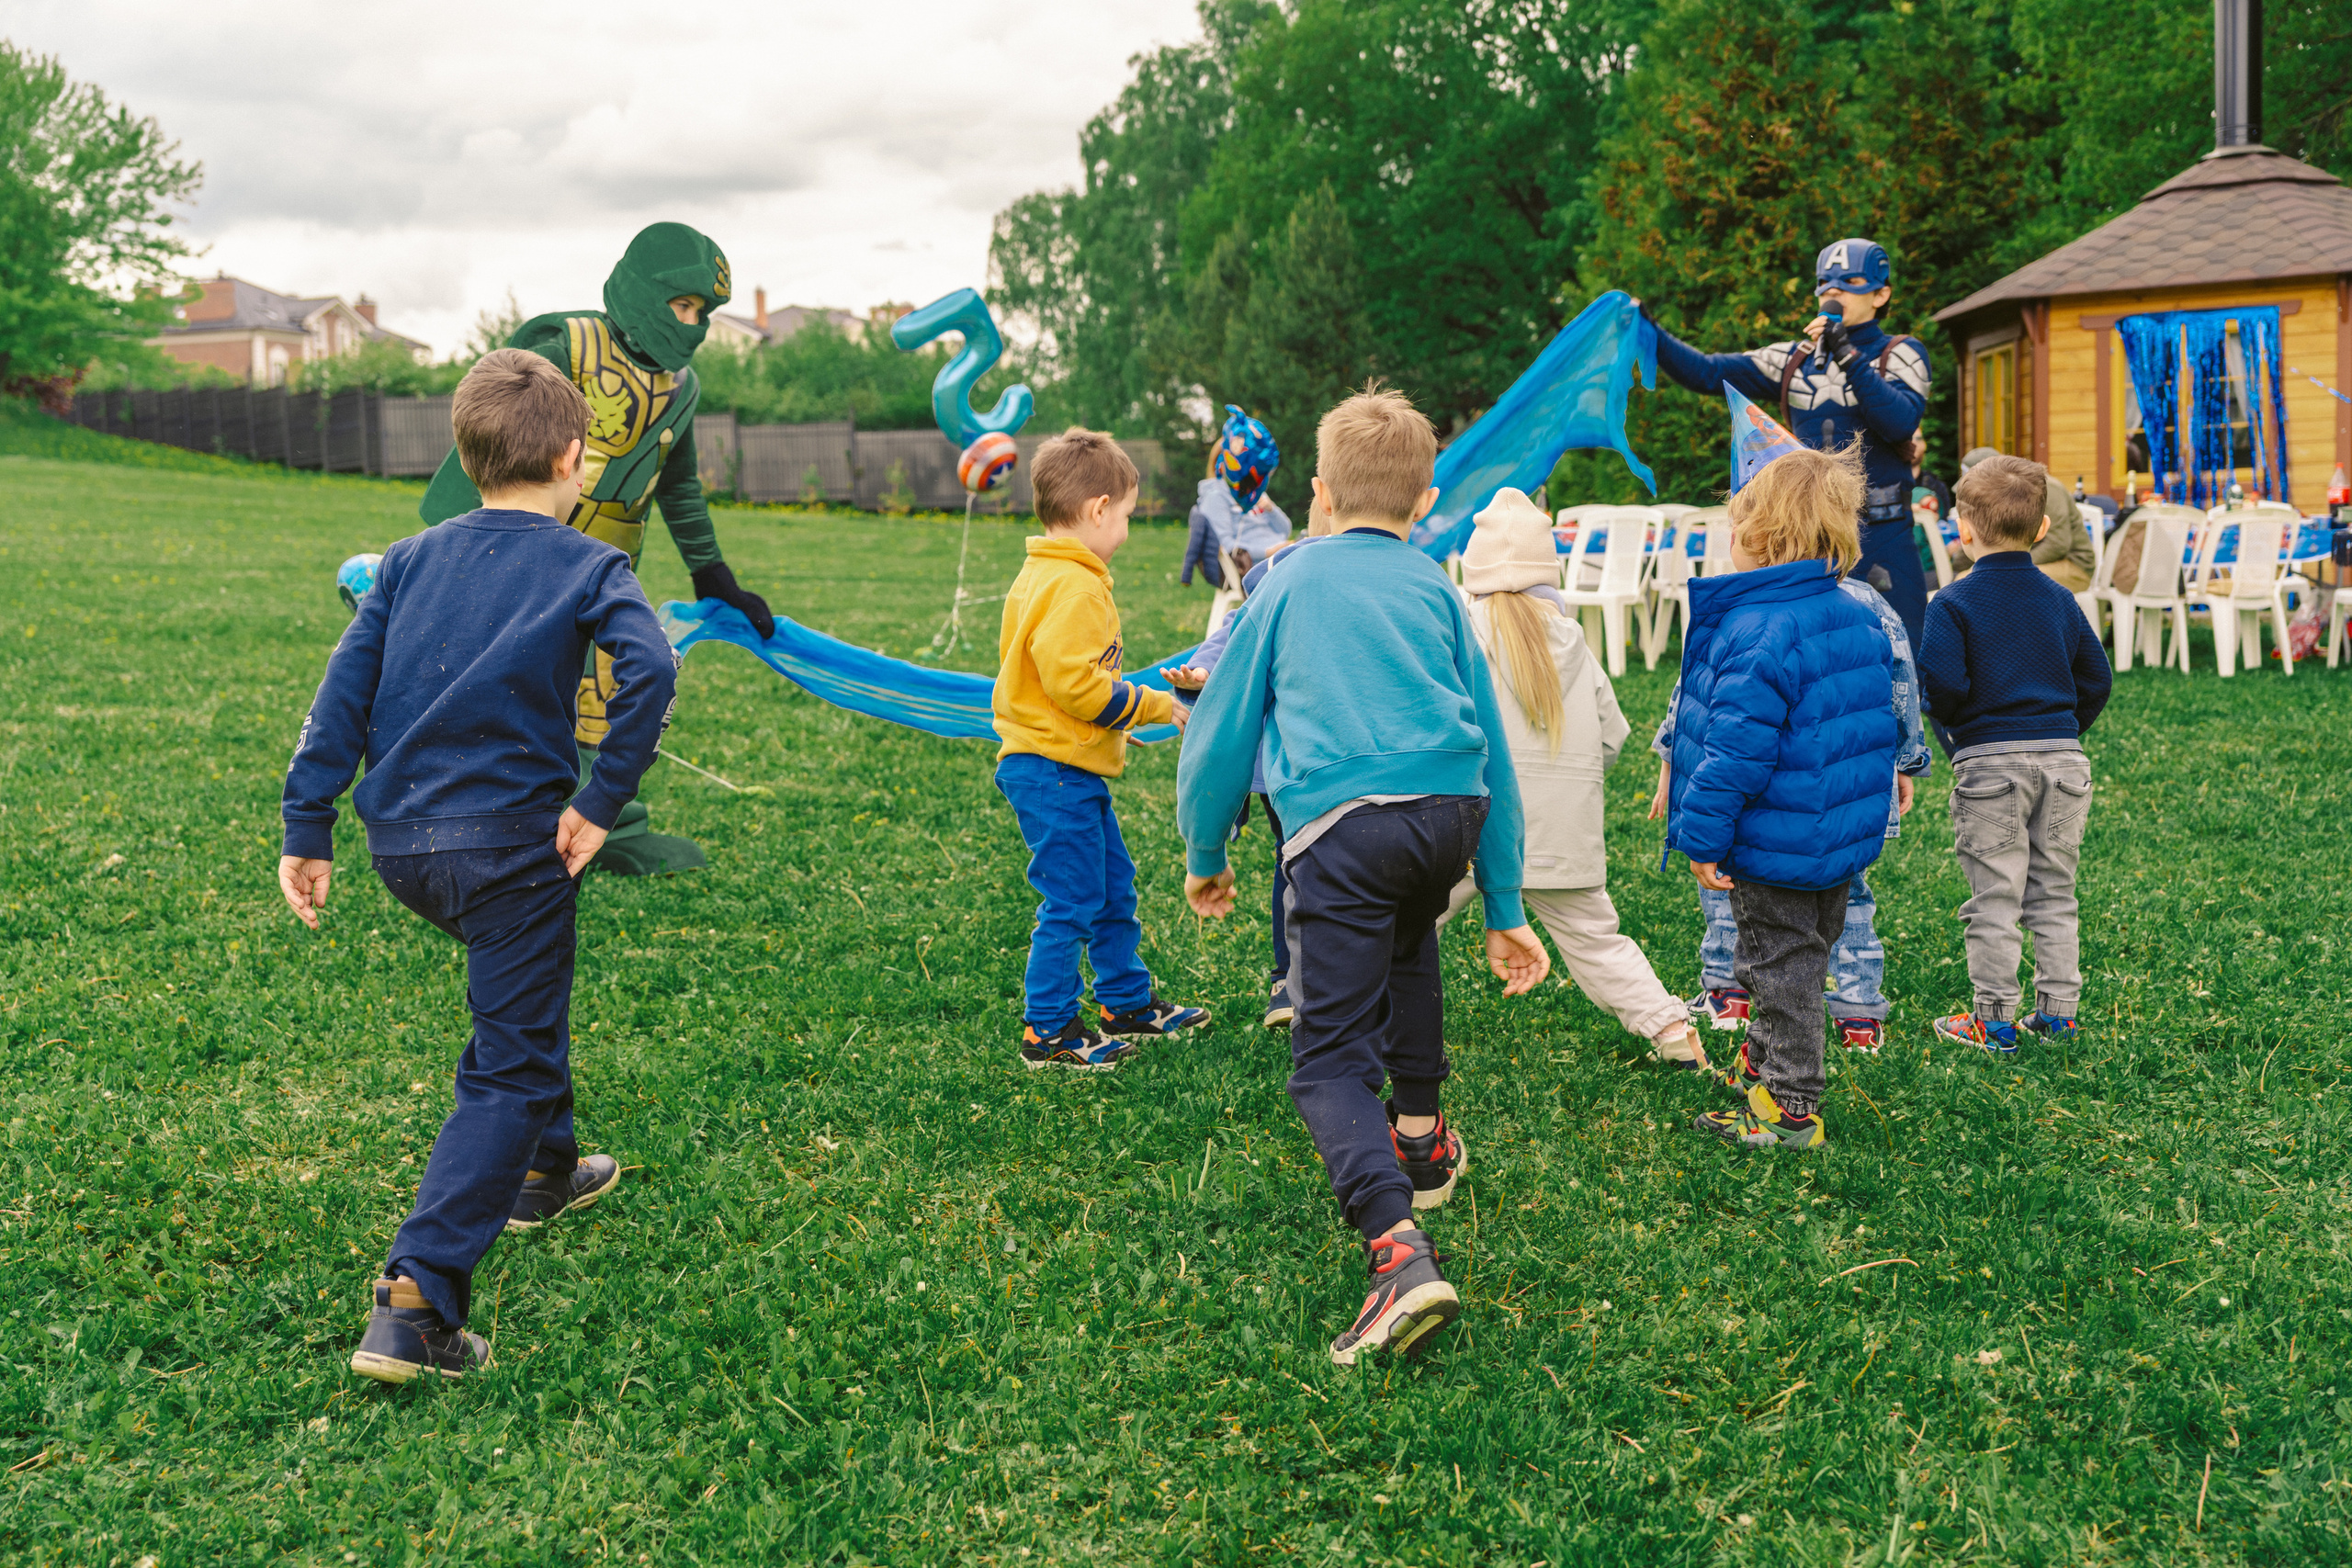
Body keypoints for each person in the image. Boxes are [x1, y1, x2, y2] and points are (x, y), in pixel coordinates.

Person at [278, 350, 678, 1382]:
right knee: (505, 1058)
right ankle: (415, 1301)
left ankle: (547, 1170)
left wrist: (306, 823)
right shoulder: (592, 564)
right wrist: (600, 800)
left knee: (522, 1005)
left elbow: (343, 692)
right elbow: (652, 668)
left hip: (406, 848)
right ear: (573, 457)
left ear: (467, 455)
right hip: (514, 850)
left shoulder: (406, 561)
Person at [1176, 386, 1550, 1367]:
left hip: (1344, 827)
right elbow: (1494, 755)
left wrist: (1206, 852)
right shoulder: (1436, 587)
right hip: (1447, 818)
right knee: (1410, 947)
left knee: (1329, 1057)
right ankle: (1421, 1137)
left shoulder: (1287, 581)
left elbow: (1221, 727)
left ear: (1319, 494)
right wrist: (1504, 903)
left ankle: (1396, 1255)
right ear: (1426, 501)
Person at [419, 222, 772, 876]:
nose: (693, 325)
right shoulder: (567, 345)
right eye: (683, 305)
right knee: (506, 684)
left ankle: (611, 823)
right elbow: (485, 445)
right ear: (645, 288)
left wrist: (712, 572)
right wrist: (448, 558)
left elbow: (680, 484)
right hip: (521, 553)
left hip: (608, 563)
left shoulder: (681, 387)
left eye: (704, 313)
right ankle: (482, 822)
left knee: (610, 686)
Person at [1660, 445, 1897, 1151]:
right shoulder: (1854, 617)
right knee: (1802, 950)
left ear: (1764, 538)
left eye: (1737, 524)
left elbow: (1737, 751)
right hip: (1831, 838)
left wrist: (1701, 837)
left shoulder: (1760, 630)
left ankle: (1792, 1103)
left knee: (1780, 965)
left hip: (1776, 839)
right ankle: (1764, 1067)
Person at [1434, 488, 1709, 1069]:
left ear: (1473, 571)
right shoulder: (1573, 639)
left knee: (1410, 921)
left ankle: (1356, 1019)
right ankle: (1672, 1032)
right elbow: (1612, 733)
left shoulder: (1459, 633)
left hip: (1469, 827)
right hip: (1562, 832)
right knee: (1596, 941)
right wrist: (1575, 787)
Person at [993, 428, 1211, 1071]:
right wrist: (1146, 704)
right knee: (1072, 900)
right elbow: (1076, 685)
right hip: (1052, 770)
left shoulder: (1047, 571)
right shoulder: (1076, 586)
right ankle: (1050, 1029)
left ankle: (1124, 1000)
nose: (1126, 531)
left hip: (1064, 766)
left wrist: (1109, 722)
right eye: (1125, 517)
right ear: (1096, 509)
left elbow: (1064, 684)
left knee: (1113, 885)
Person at [1650, 560, 1932, 1055]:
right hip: (1852, 792)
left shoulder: (1746, 609)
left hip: (1771, 805)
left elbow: (1697, 697)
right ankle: (1858, 1010)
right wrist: (1905, 757)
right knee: (1849, 898)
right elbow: (1900, 680)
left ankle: (1731, 999)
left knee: (1730, 891)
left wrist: (1673, 763)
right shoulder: (1867, 603)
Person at [1640, 239, 1934, 651]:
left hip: (1883, 532)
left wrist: (1846, 353)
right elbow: (1708, 372)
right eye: (1824, 284)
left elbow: (1899, 422)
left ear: (1881, 293)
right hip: (1809, 536)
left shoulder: (1900, 353)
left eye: (1850, 282)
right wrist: (1648, 329)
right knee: (1809, 653)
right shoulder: (1793, 359)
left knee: (1905, 652)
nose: (1834, 292)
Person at [1920, 454, 2112, 1052]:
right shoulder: (2061, 599)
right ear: (2041, 530)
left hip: (1990, 766)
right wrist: (2063, 730)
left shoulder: (1950, 603)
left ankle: (1994, 1018)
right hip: (2064, 762)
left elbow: (1942, 686)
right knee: (2054, 890)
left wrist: (1960, 734)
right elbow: (2096, 679)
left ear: (1963, 531)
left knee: (1996, 896)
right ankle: (2058, 1013)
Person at [1162, 517, 1340, 1030]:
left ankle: (1304, 978)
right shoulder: (1259, 610)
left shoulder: (1324, 607)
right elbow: (1217, 654)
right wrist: (1199, 676)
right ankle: (1286, 979)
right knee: (1295, 864)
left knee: (1304, 865)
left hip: (1321, 768)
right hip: (1282, 773)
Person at [1950, 447, 2097, 592]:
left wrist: (2008, 565)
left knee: (1978, 582)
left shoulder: (2043, 487)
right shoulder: (1996, 494)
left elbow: (2058, 543)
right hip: (2022, 560)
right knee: (1966, 578)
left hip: (2072, 565)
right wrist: (1955, 569)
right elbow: (1976, 536)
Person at [1182, 405, 1293, 589]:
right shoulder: (1215, 498)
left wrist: (1271, 510)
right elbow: (1228, 545)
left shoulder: (1251, 491)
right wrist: (1268, 552)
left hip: (1279, 557)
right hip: (1257, 567)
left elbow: (1285, 529)